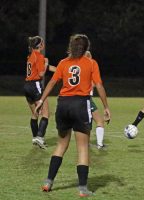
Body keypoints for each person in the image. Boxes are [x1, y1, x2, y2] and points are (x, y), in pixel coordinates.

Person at [35, 34, 111, 197]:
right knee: (82, 148)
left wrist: (41, 100)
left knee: (61, 145)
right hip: (80, 104)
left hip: (63, 104)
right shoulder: (91, 63)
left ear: (71, 46)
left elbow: (52, 82)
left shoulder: (63, 63)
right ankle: (83, 189)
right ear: (86, 48)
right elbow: (99, 85)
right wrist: (106, 107)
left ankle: (48, 182)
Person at [24, 36, 55, 149]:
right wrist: (46, 62)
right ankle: (40, 137)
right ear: (40, 45)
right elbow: (41, 74)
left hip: (27, 86)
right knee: (46, 113)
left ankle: (35, 138)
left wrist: (61, 70)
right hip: (35, 85)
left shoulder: (31, 55)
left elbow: (45, 69)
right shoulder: (40, 56)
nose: (44, 44)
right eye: (43, 42)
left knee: (35, 114)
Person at [85, 51, 108, 149]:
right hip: (86, 99)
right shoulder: (91, 67)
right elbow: (96, 84)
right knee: (99, 121)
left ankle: (86, 143)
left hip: (75, 99)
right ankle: (100, 144)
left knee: (88, 122)